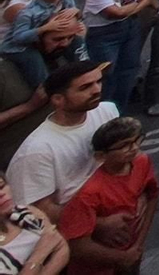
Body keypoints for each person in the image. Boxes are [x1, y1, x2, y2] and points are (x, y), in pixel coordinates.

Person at [5, 62, 118, 221]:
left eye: (98, 82)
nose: (97, 90)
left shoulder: (107, 111)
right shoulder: (36, 150)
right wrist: (100, 223)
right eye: (85, 87)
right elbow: (41, 211)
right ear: (58, 99)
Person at [57, 115, 157, 275]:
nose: (134, 148)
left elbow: (152, 195)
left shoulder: (142, 162)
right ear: (101, 156)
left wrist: (137, 246)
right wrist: (123, 257)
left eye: (137, 140)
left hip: (130, 254)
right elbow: (78, 246)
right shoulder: (90, 193)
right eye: (124, 145)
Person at [82, 0, 153, 110]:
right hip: (105, 34)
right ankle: (102, 107)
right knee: (107, 72)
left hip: (130, 27)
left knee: (129, 68)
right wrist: (135, 7)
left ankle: (119, 107)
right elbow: (115, 13)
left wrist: (131, 10)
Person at [0, 0, 87, 90]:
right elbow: (18, 37)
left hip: (48, 42)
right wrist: (44, 28)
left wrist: (77, 12)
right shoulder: (28, 13)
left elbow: (75, 18)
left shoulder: (67, 0)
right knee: (33, 59)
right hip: (20, 47)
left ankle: (84, 69)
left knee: (76, 41)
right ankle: (44, 87)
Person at [0, 170, 66, 273]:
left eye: (2, 186)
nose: (1, 194)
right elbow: (50, 241)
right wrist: (40, 254)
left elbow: (62, 247)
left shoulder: (26, 212)